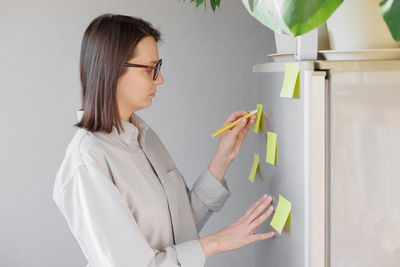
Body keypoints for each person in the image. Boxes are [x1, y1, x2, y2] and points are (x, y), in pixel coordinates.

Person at [52, 13, 275, 267]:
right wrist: (219, 241)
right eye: (150, 69)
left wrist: (223, 156)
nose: (160, 79)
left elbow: (180, 227)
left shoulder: (145, 137)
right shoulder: (87, 162)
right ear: (113, 69)